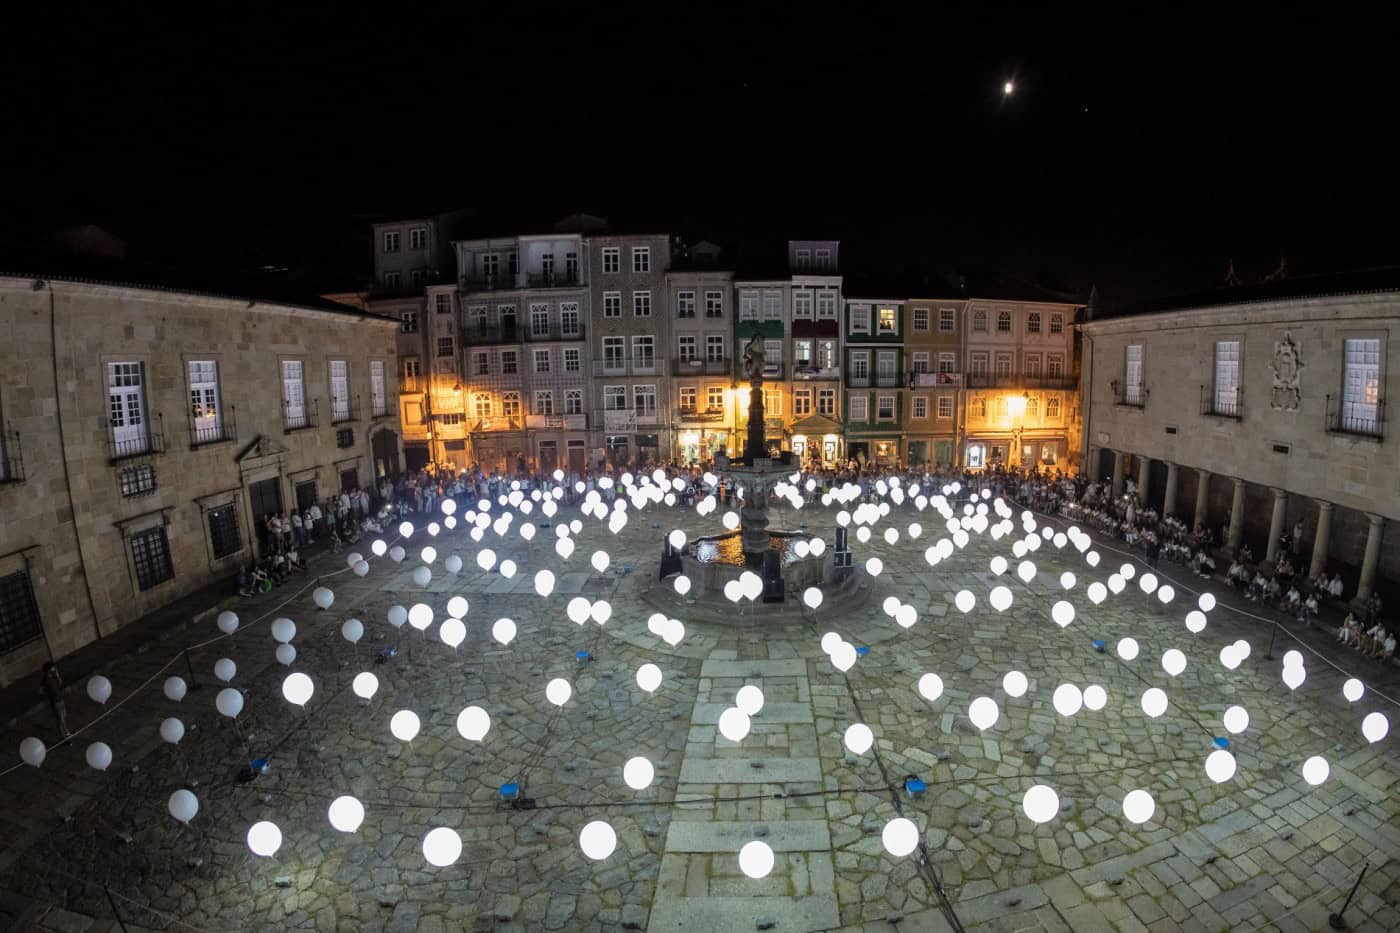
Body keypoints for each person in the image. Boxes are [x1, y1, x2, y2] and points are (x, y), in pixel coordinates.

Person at [40, 662, 72, 738]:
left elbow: (60, 684)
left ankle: (66, 731)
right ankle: (63, 736)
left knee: (63, 716)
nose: (54, 669)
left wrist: (57, 675)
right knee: (60, 719)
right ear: (48, 670)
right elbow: (43, 690)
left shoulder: (53, 677)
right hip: (55, 702)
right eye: (52, 668)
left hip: (60, 699)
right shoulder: (46, 680)